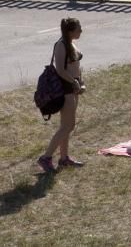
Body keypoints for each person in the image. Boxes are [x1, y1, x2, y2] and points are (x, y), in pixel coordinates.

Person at [37, 17, 86, 173]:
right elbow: (60, 70)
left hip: (74, 88)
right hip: (66, 89)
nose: (81, 30)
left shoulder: (71, 43)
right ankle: (46, 157)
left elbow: (75, 66)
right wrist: (74, 82)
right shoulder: (61, 45)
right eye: (79, 28)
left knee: (67, 126)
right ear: (70, 30)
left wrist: (80, 81)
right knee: (67, 126)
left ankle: (64, 158)